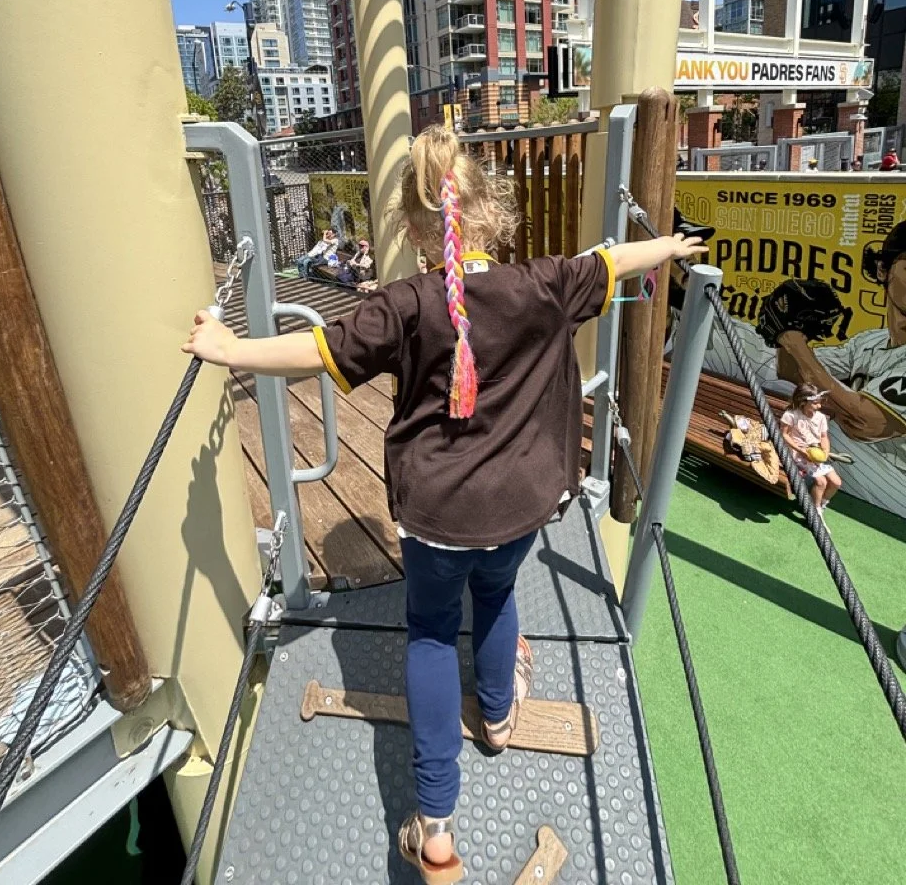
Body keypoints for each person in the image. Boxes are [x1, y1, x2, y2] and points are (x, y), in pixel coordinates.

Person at [183, 126, 705, 883]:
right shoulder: (547, 283)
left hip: (437, 517)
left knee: (431, 632)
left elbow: (316, 351)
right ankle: (497, 716)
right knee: (496, 600)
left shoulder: (405, 303)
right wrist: (675, 248)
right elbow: (614, 259)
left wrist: (229, 348)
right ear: (492, 211)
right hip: (522, 505)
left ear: (410, 225)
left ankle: (435, 829)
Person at [701, 220, 906, 519]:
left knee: (815, 411)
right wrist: (792, 328)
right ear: (882, 271)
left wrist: (793, 341)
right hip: (858, 467)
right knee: (781, 386)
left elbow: (863, 423)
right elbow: (791, 373)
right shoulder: (869, 342)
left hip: (893, 483)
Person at [779, 384, 841, 520]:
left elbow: (824, 437)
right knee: (821, 482)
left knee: (836, 482)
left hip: (816, 455)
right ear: (803, 402)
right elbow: (784, 435)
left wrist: (825, 451)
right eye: (815, 403)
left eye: (820, 402)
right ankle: (815, 511)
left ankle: (820, 503)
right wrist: (800, 450)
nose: (819, 406)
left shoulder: (821, 418)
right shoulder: (791, 415)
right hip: (797, 455)